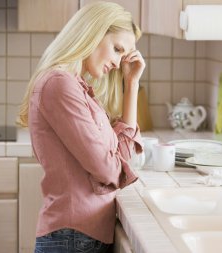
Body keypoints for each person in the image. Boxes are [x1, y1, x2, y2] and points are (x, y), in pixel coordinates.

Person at [17, 1, 145, 252]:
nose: (119, 63)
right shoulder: (59, 84)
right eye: (117, 49)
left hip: (82, 237)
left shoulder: (79, 88)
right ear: (93, 32)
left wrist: (131, 86)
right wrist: (116, 163)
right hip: (73, 239)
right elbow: (108, 170)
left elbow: (123, 158)